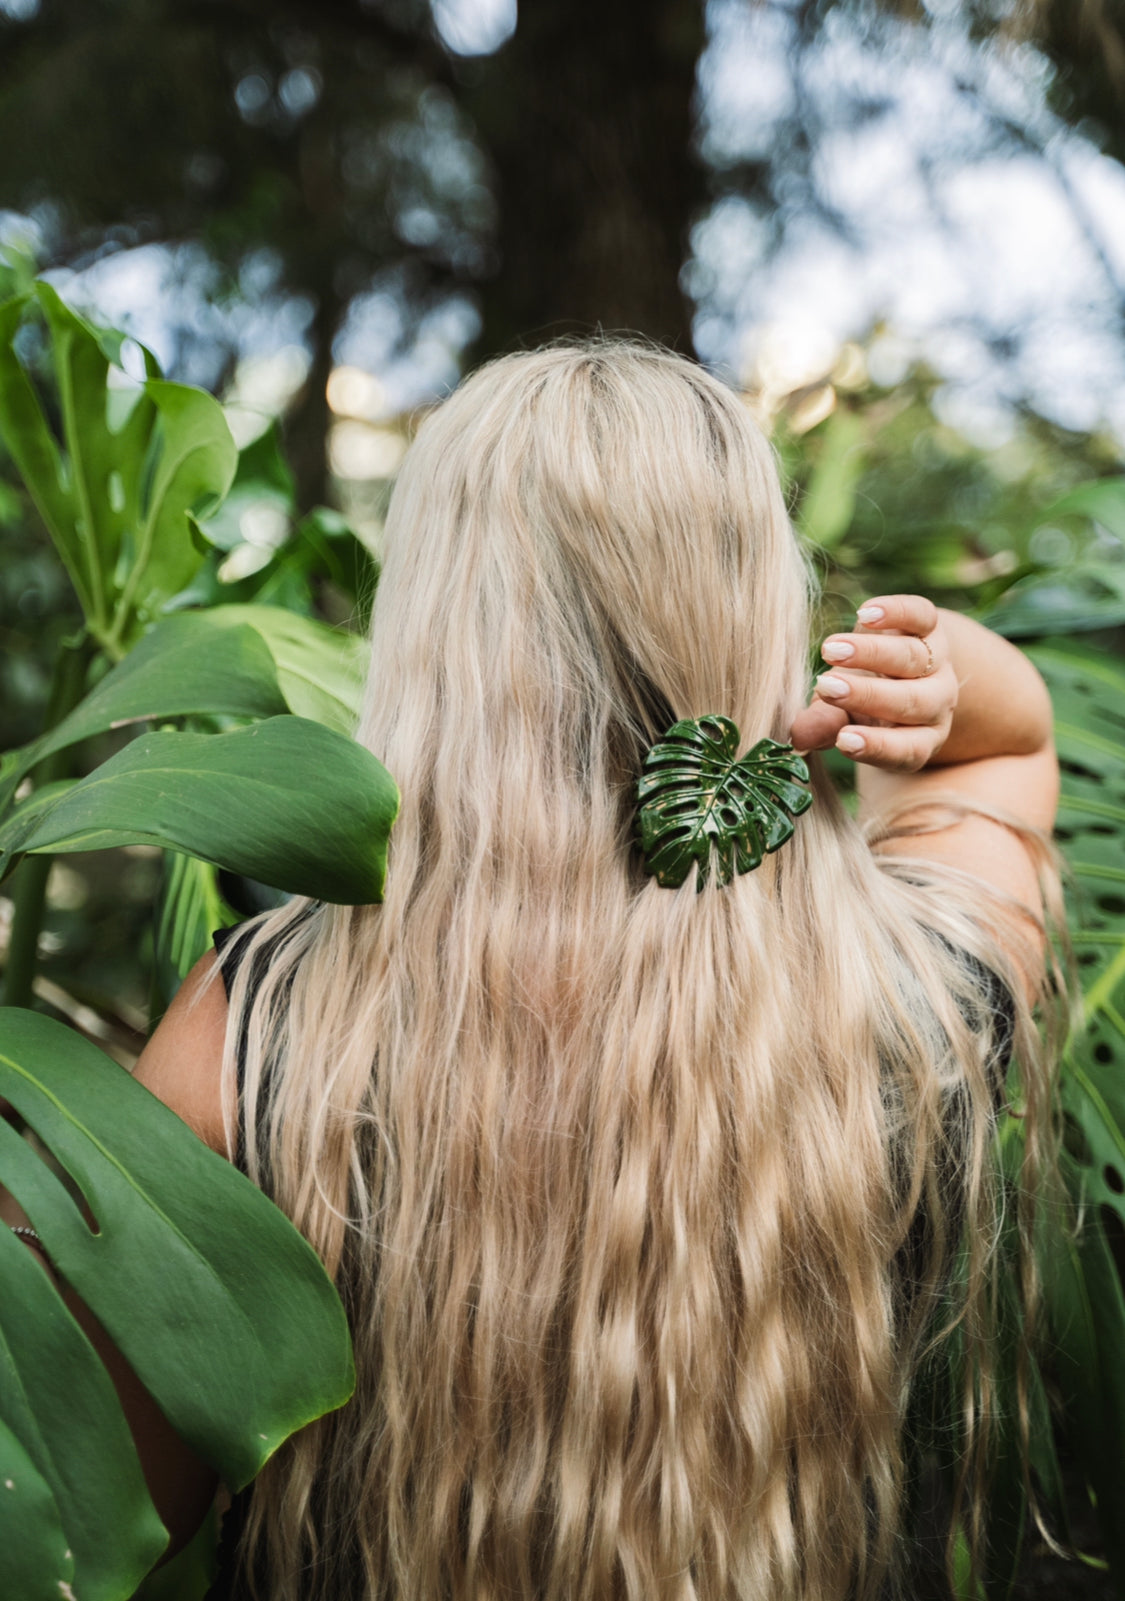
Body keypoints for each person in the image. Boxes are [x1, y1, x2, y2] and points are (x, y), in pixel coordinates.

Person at [132, 342, 1061, 1600]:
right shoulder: (915, 997)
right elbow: (1006, 758)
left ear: (429, 629)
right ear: (752, 605)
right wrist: (932, 663)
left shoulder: (242, 1041)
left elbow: (98, 1518)